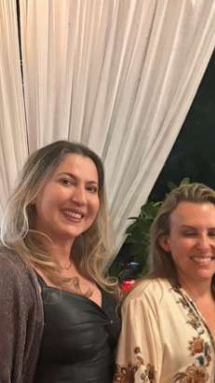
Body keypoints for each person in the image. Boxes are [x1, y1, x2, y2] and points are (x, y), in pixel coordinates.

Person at [0, 140, 120, 383]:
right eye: (66, 182)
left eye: (91, 188)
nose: (81, 198)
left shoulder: (92, 274)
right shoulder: (9, 271)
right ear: (33, 191)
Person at [114, 183, 215, 383]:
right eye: (190, 233)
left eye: (214, 233)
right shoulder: (148, 299)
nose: (204, 245)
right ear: (166, 242)